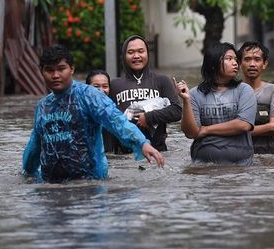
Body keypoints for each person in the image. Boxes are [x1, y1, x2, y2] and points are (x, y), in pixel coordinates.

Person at [22, 45, 164, 183]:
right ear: (41, 71)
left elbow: (116, 120)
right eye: (49, 70)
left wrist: (142, 143)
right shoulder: (43, 106)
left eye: (61, 69)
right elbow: (35, 144)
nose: (55, 75)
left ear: (71, 69)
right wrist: (27, 172)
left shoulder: (89, 95)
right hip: (50, 185)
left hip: (90, 182)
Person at [173, 42, 257, 165]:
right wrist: (185, 100)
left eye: (235, 59)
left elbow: (243, 125)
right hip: (203, 164)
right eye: (229, 58)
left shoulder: (244, 90)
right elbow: (191, 133)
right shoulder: (194, 94)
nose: (235, 63)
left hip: (241, 165)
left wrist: (205, 130)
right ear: (213, 63)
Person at [109, 36, 182, 153]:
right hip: (125, 154)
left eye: (141, 51)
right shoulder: (114, 85)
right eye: (130, 52)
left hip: (157, 152)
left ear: (147, 54)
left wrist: (148, 118)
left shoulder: (162, 81)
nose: (136, 56)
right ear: (123, 56)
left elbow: (177, 111)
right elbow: (107, 119)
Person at [238, 41, 274, 154]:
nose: (252, 64)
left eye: (257, 59)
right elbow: (273, 126)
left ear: (264, 64)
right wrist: (269, 127)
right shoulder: (233, 91)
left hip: (269, 155)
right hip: (239, 154)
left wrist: (238, 131)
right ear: (240, 63)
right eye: (247, 59)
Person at [85, 69, 115, 153]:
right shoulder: (80, 110)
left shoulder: (113, 111)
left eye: (105, 86)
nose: (101, 90)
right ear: (87, 88)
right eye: (96, 86)